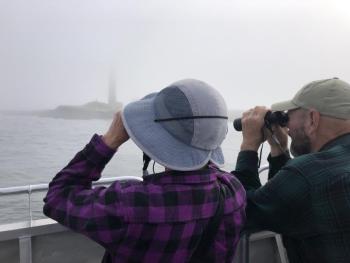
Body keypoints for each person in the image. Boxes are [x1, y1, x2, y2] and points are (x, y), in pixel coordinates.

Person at [43, 79, 246, 263]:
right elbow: (204, 169)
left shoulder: (130, 204)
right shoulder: (233, 191)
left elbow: (57, 196)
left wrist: (109, 141)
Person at [232, 78, 350, 263]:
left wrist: (249, 146)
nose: (286, 128)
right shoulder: (310, 175)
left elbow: (240, 210)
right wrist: (279, 151)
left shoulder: (307, 174)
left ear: (313, 119)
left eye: (287, 117)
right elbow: (283, 204)